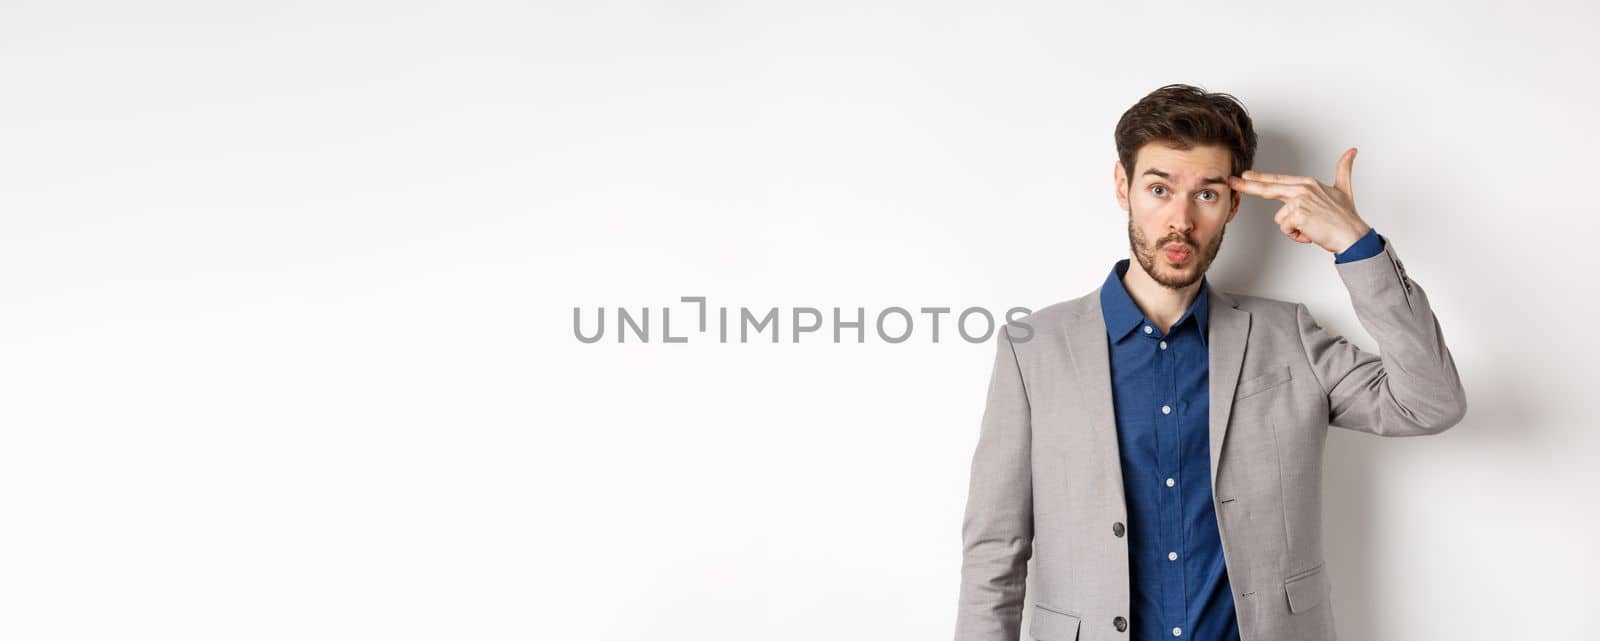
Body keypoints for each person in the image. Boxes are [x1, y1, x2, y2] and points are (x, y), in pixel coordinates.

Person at [952, 84, 1467, 641]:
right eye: (1158, 188)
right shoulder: (1034, 347)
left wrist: (1355, 244)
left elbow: (1429, 402)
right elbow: (995, 550)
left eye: (1206, 194)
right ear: (1123, 187)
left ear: (1234, 204)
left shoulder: (1288, 336)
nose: (1180, 219)